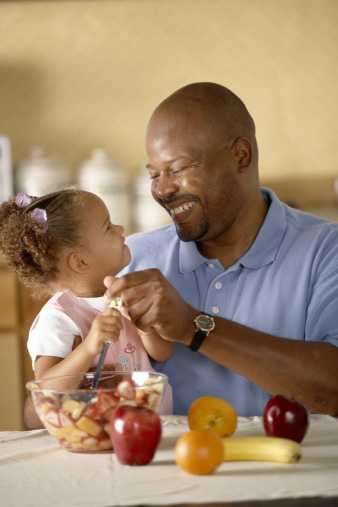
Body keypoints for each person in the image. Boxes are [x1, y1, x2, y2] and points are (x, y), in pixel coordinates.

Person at [105, 82, 338, 417]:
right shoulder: (131, 259)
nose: (162, 189)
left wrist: (193, 326)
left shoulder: (325, 251)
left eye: (178, 169)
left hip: (294, 465)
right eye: (154, 174)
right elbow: (46, 404)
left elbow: (332, 391)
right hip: (164, 467)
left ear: (240, 156)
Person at [0, 189, 172, 428]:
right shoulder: (59, 318)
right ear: (80, 261)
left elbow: (162, 354)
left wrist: (145, 325)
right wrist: (89, 347)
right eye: (108, 227)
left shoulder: (128, 289)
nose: (121, 230)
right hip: (90, 436)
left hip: (144, 428)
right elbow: (46, 391)